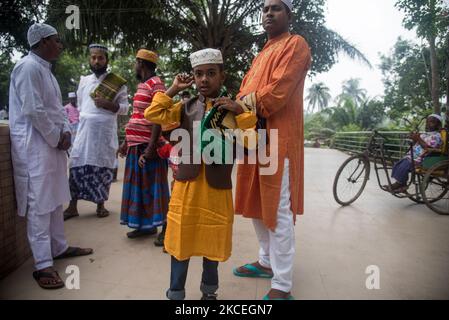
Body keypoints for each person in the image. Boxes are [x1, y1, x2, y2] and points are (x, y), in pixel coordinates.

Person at [144, 48, 257, 300]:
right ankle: (175, 293)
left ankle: (209, 293)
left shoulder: (230, 110)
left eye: (210, 73)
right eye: (198, 74)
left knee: (212, 245)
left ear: (222, 76)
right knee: (180, 244)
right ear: (193, 78)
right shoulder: (184, 107)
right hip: (187, 188)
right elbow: (153, 114)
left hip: (216, 191)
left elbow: (252, 143)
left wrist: (240, 112)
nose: (204, 79)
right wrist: (173, 89)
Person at [232, 0, 312, 300]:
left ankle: (282, 283)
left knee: (277, 209)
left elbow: (276, 94)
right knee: (256, 203)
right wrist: (240, 103)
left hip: (280, 141)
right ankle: (266, 262)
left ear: (289, 14)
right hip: (254, 141)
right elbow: (244, 92)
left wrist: (240, 104)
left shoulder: (296, 45)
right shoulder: (261, 53)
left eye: (276, 8)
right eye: (264, 9)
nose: (268, 13)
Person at [9, 23, 93, 290]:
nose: (60, 45)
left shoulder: (46, 71)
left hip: (52, 146)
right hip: (34, 148)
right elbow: (33, 110)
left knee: (56, 200)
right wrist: (57, 137)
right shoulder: (27, 67)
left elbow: (57, 111)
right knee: (40, 205)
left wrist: (65, 132)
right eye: (57, 40)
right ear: (43, 41)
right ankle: (43, 264)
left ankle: (59, 247)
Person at [64, 44, 129, 220]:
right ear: (89, 59)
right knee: (77, 165)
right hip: (84, 133)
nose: (96, 61)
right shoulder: (84, 80)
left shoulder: (117, 83)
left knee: (102, 167)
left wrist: (108, 104)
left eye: (100, 58)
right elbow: (80, 105)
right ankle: (72, 206)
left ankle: (101, 206)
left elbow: (124, 108)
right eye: (93, 57)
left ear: (106, 60)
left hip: (104, 133)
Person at [118, 49, 170, 243]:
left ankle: (167, 229)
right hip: (136, 144)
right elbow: (136, 116)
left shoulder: (156, 84)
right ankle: (144, 227)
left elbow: (159, 117)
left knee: (157, 189)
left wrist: (150, 148)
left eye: (135, 63)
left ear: (141, 63)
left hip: (149, 146)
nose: (134, 66)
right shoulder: (143, 85)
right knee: (139, 189)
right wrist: (126, 141)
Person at [386, 114, 443, 193]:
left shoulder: (437, 136)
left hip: (424, 158)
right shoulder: (425, 134)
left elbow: (428, 147)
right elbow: (417, 144)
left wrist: (418, 138)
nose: (428, 124)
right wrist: (413, 138)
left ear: (438, 125)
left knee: (405, 165)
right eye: (427, 122)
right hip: (414, 155)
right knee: (399, 164)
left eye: (432, 122)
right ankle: (402, 183)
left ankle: (399, 184)